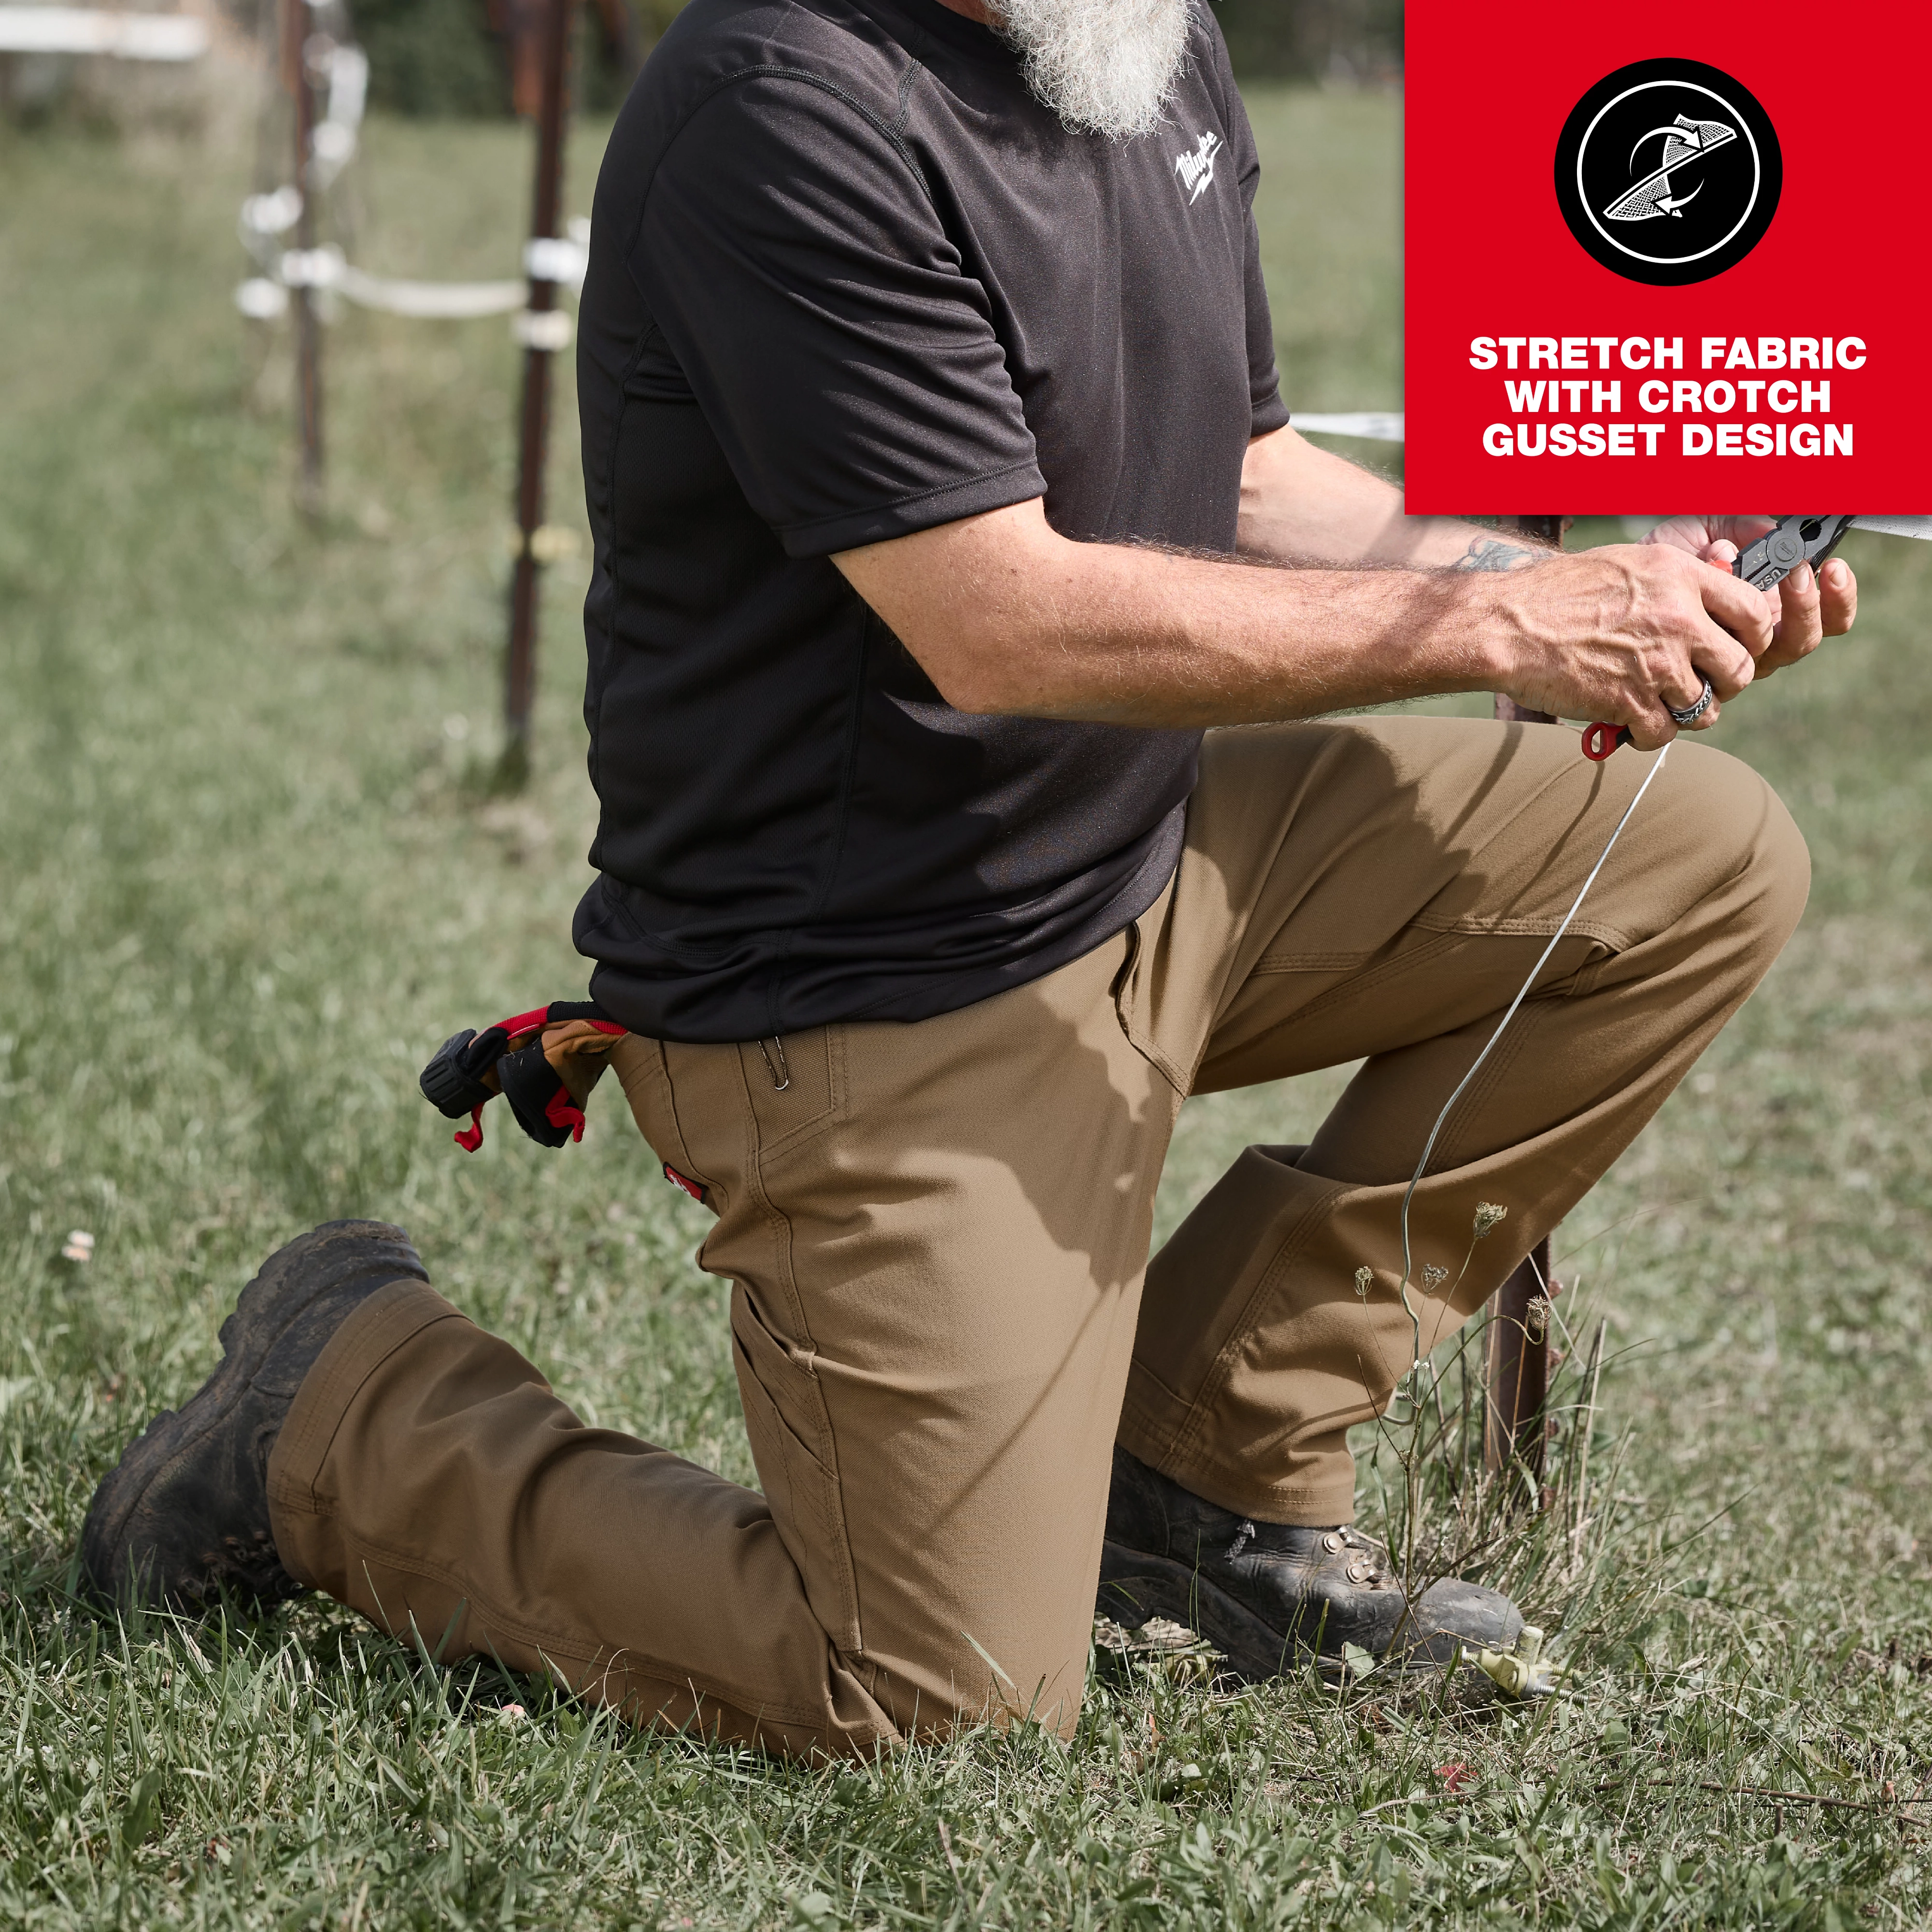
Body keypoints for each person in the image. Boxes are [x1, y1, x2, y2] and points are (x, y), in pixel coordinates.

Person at [81, 0, 1854, 1757]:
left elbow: (1242, 478)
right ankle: (346, 1407)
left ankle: (1199, 1482)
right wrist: (1501, 615)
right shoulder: (782, 104)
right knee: (934, 1707)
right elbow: (996, 619)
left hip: (1146, 858)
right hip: (868, 989)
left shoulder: (1136, 35)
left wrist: (1614, 600)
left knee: (1700, 864)